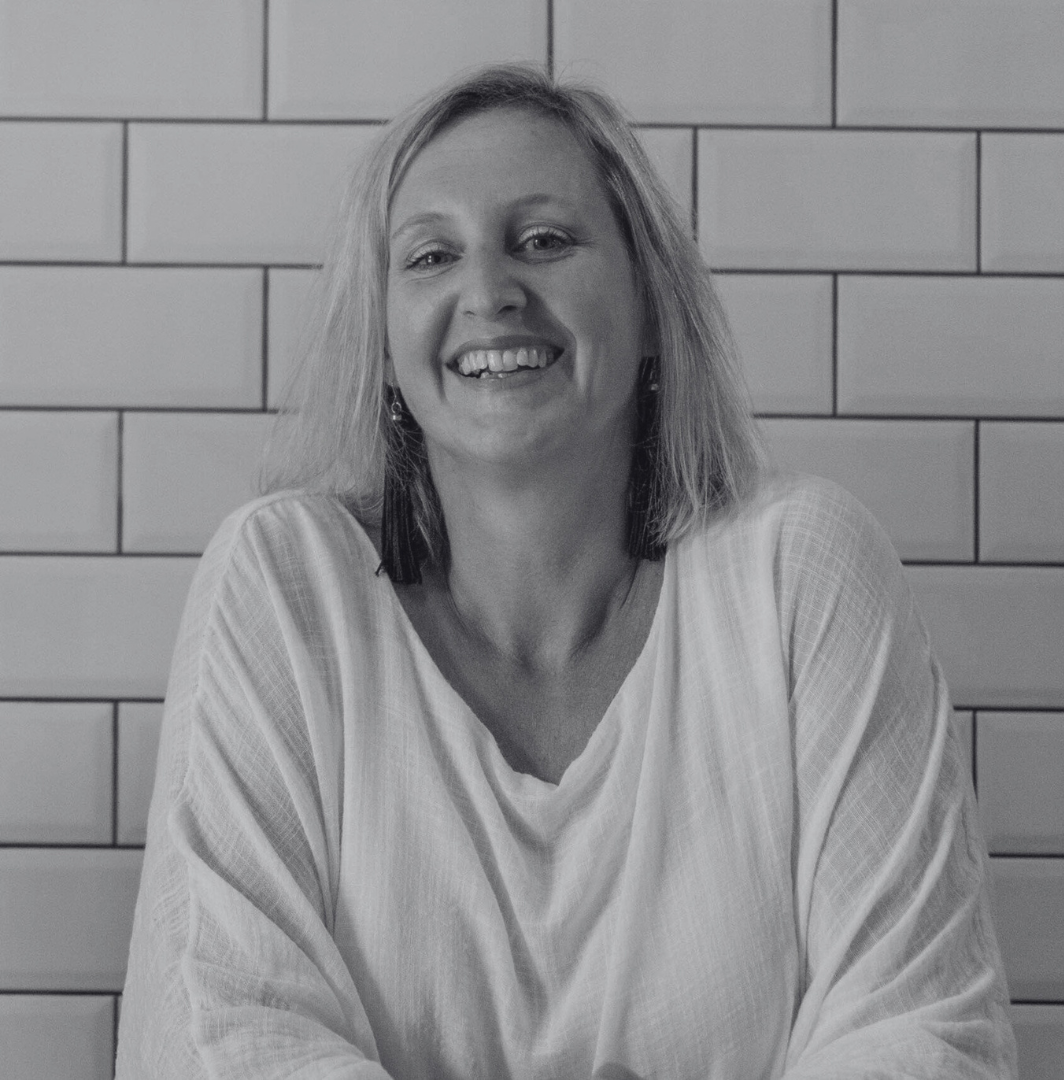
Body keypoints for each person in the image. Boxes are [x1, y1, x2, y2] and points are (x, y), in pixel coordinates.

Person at [116, 64, 1017, 1078]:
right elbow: (222, 1035)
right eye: (431, 256)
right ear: (385, 347)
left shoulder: (799, 576)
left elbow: (925, 1035)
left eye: (543, 239)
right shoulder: (284, 589)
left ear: (649, 304)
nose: (489, 292)